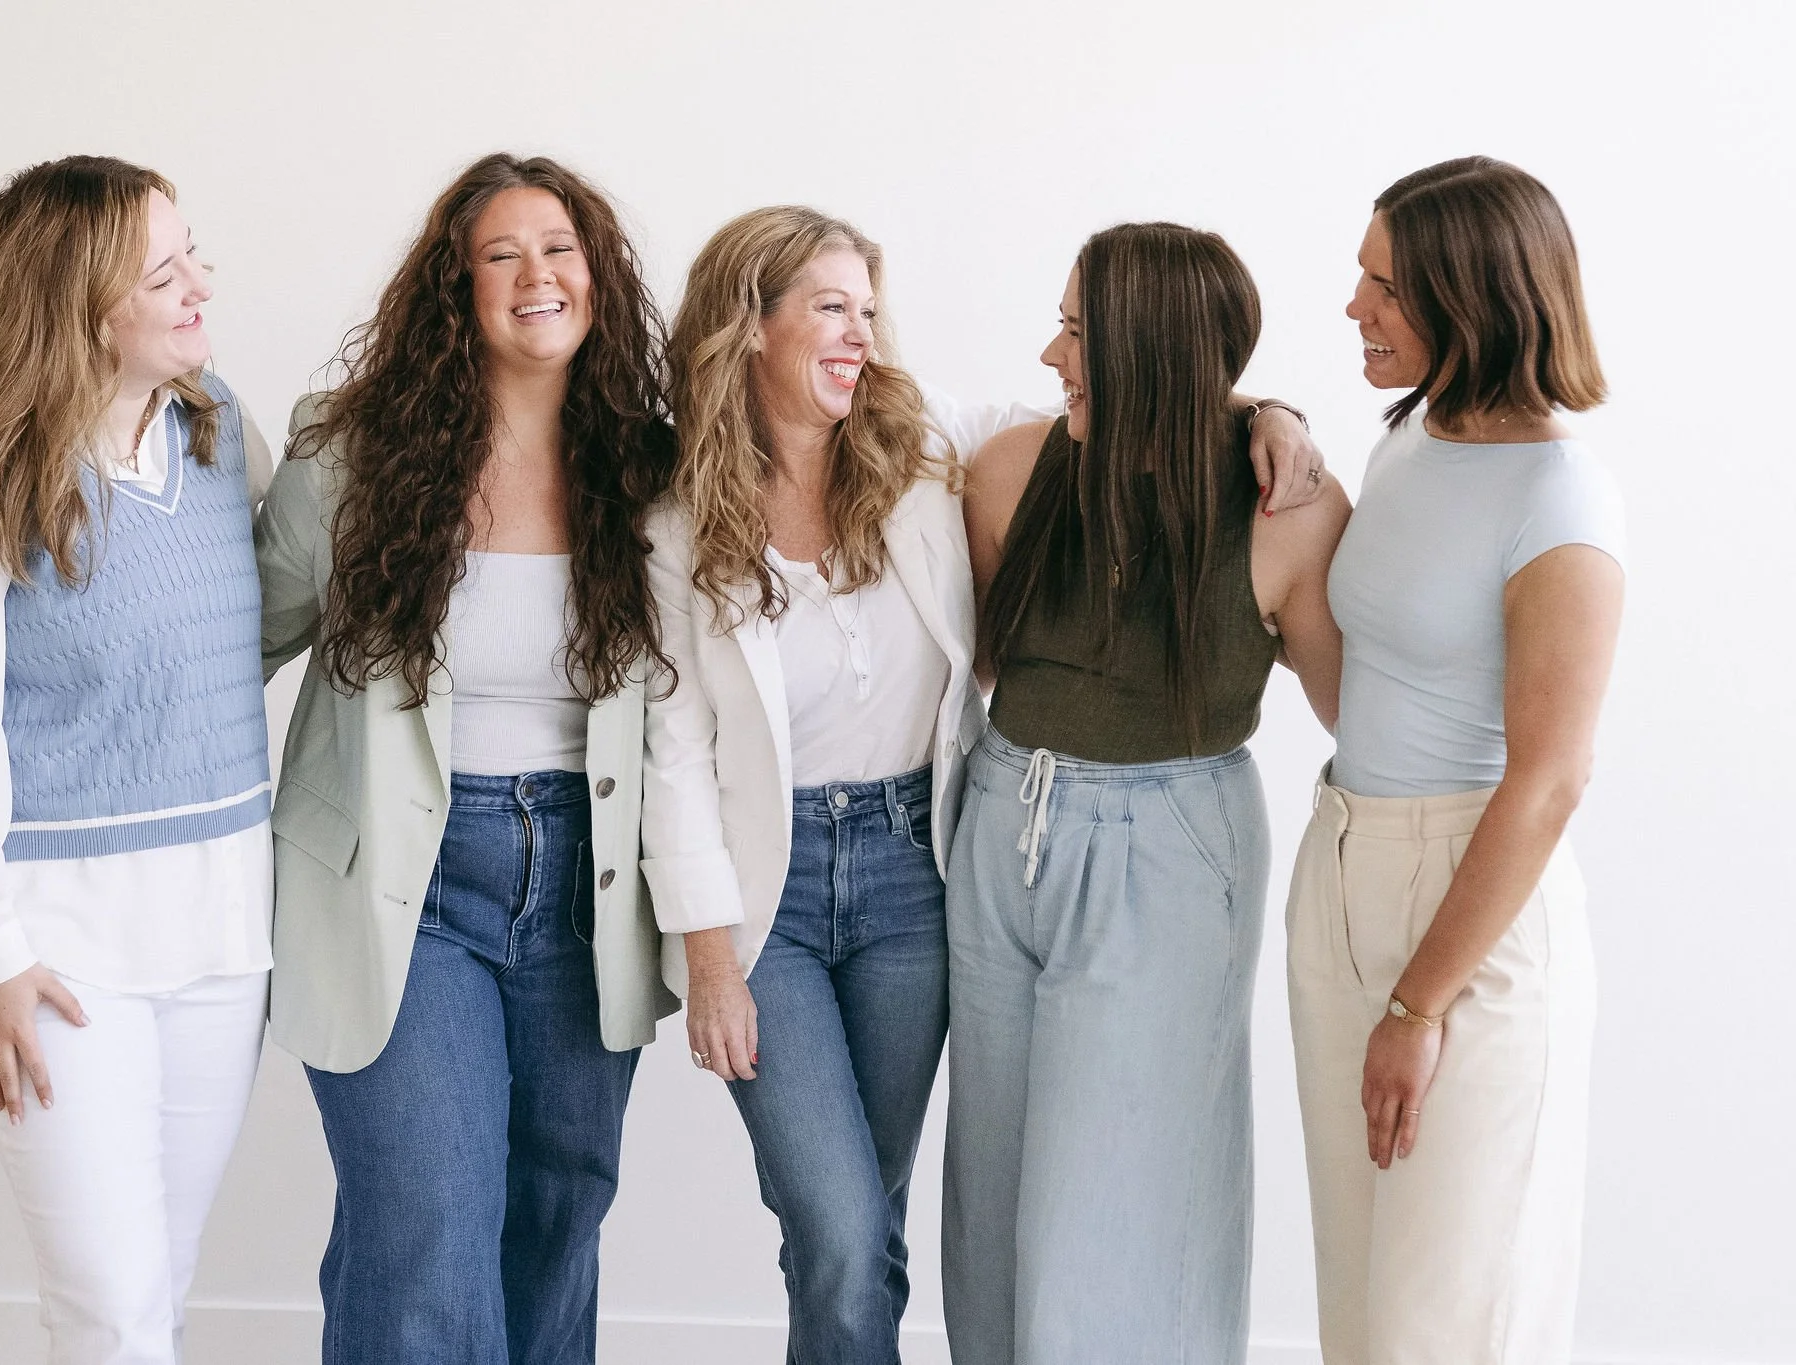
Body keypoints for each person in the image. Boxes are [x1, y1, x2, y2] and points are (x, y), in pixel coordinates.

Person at [644, 206, 1328, 1363]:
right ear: (745, 327)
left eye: (868, 309)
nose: (861, 334)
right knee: (851, 1225)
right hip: (783, 895)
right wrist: (707, 956)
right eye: (829, 308)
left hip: (919, 870)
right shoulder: (671, 519)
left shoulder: (918, 449)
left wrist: (1268, 410)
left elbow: (1137, 403)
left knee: (901, 1215)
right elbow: (669, 752)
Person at [254, 153, 676, 1365]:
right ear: (456, 289)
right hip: (405, 882)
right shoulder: (349, 454)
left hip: (589, 890)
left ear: (597, 277)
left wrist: (1254, 413)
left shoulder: (648, 468)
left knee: (559, 1212)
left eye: (561, 250)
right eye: (502, 254)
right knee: (426, 1224)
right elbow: (238, 643)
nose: (537, 275)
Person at [0, 155, 274, 1365]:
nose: (200, 283)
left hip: (220, 932)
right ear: (75, 306)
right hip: (56, 952)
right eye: (164, 272)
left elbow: (260, 617)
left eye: (190, 253)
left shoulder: (217, 430)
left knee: (161, 1286)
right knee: (107, 1309)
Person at [946, 222, 1351, 1365]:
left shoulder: (1288, 512)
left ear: (1152, 349)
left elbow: (1356, 718)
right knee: (996, 1209)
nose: (1047, 351)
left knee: (1119, 1211)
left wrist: (1272, 423)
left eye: (1076, 329)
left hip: (1169, 848)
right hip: (999, 822)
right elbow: (980, 662)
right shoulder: (1007, 472)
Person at [1286, 156, 1624, 1365]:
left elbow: (1548, 780)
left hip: (1471, 913)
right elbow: (1368, 687)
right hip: (1341, 866)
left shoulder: (1557, 496)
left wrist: (1419, 1002)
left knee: (1451, 1324)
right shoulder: (1407, 441)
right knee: (1362, 1314)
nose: (1351, 307)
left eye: (1382, 285)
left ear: (1471, 301)